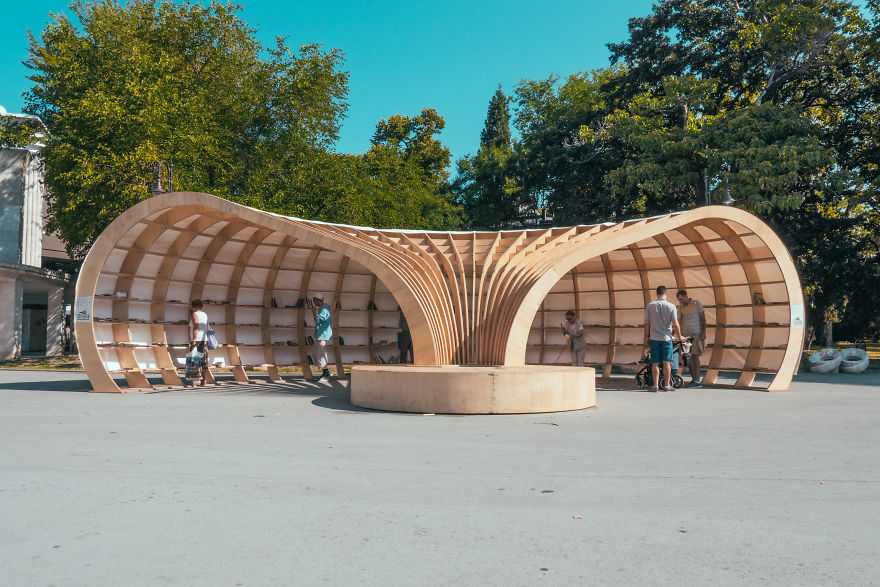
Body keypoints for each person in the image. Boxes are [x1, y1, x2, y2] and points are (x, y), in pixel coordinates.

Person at [644, 286, 683, 392]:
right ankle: (666, 385)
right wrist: (679, 337)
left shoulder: (650, 306)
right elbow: (675, 324)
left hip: (654, 337)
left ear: (657, 294)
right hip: (666, 338)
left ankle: (655, 386)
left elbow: (647, 323)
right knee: (667, 362)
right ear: (666, 294)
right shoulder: (671, 306)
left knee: (655, 363)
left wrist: (647, 336)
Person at [676, 289, 707, 387]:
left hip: (696, 334)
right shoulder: (681, 307)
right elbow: (678, 321)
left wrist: (703, 332)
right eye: (679, 300)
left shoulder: (696, 303)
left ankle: (697, 380)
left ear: (686, 296)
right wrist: (675, 333)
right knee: (687, 358)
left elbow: (703, 319)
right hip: (685, 335)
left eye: (681, 299)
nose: (681, 301)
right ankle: (694, 379)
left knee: (695, 356)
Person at [187, 299, 209, 387]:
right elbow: (207, 328)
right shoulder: (205, 314)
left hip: (197, 339)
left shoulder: (194, 314)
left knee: (193, 359)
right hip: (204, 339)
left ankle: (195, 380)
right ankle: (204, 380)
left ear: (193, 306)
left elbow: (195, 327)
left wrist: (194, 339)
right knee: (204, 360)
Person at [311, 293, 333, 381]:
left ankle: (325, 373)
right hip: (321, 335)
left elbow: (317, 321)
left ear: (317, 300)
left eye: (314, 300)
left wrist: (313, 312)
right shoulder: (324, 308)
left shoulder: (324, 309)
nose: (313, 302)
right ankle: (326, 371)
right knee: (318, 354)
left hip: (322, 335)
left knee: (320, 355)